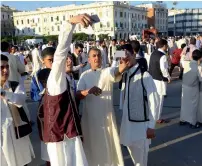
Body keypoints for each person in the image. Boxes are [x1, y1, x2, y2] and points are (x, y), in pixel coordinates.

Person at [43, 14, 90, 166]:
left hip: (68, 134)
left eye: (71, 58)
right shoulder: (55, 79)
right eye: (66, 59)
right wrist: (70, 24)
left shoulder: (66, 79)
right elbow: (60, 54)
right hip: (60, 139)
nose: (69, 60)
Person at [76, 46, 127, 165]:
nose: (97, 58)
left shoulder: (106, 71)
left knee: (108, 146)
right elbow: (78, 94)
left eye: (99, 55)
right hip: (90, 121)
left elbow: (116, 71)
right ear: (88, 59)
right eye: (94, 56)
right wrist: (88, 91)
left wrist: (122, 65)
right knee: (91, 147)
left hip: (106, 119)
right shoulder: (84, 75)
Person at [119, 44, 159, 166]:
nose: (125, 59)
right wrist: (121, 56)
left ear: (134, 55)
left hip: (140, 127)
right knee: (133, 157)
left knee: (140, 161)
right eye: (122, 57)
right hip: (127, 126)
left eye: (128, 55)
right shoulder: (125, 75)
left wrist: (151, 126)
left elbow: (154, 102)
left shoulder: (144, 76)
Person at [1, 54, 35, 166]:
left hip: (17, 135)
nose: (5, 70)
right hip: (3, 139)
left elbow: (20, 99)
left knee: (21, 161)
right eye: (1, 67)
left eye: (7, 67)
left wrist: (5, 93)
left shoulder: (15, 86)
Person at [149, 39, 171, 124]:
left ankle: (152, 116)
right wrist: (168, 77)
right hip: (160, 80)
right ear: (164, 46)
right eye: (166, 45)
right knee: (160, 100)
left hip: (152, 78)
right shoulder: (163, 56)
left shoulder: (153, 53)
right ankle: (157, 118)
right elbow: (164, 69)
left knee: (154, 99)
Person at [180, 50, 202, 128]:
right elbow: (200, 79)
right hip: (193, 88)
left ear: (192, 56)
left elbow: (182, 58)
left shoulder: (186, 63)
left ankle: (182, 120)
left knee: (184, 104)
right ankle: (193, 122)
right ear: (200, 58)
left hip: (184, 86)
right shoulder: (198, 67)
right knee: (193, 105)